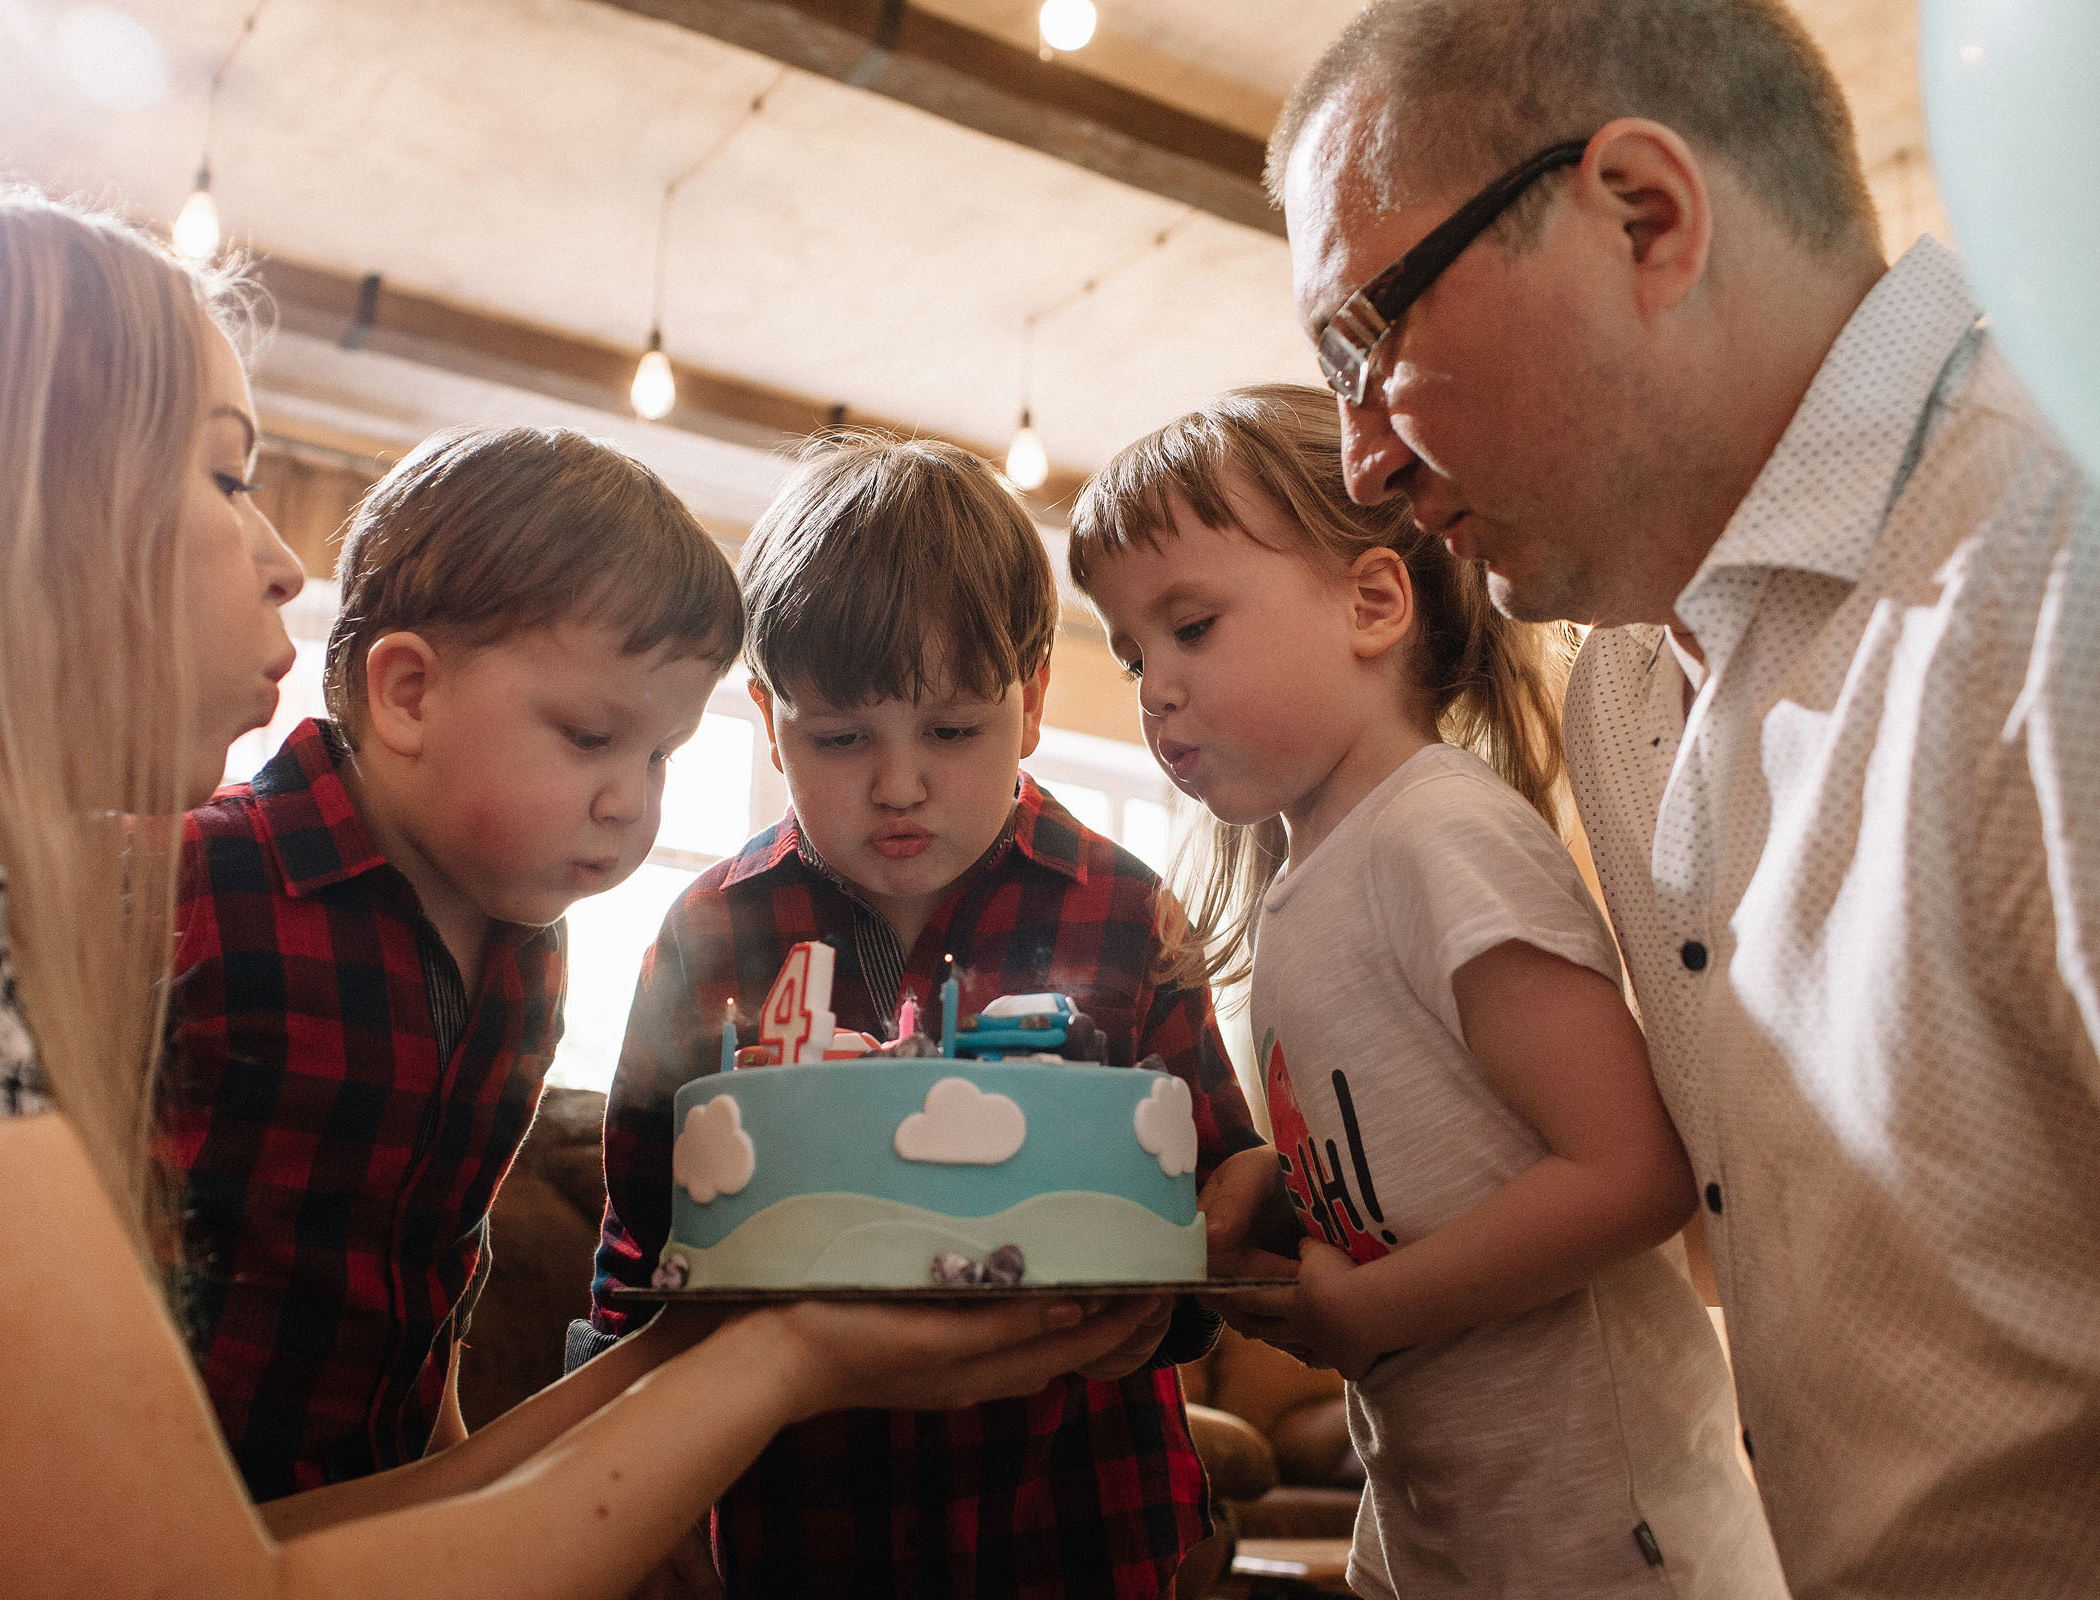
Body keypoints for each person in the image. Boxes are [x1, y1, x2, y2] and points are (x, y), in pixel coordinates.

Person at [0, 176, 1157, 1600]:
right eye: (222, 472)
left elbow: (294, 1534)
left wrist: (738, 1345)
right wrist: (786, 1358)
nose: (282, 559)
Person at [1269, 2, 2100, 1595]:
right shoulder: (1628, 691)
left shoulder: (2054, 564)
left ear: (1643, 216)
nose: (1360, 460)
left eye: (1365, 344)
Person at [1072, 384, 1785, 1598]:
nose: (1154, 688)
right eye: (1133, 652)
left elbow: (1631, 1171)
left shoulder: (1437, 833)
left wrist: (1370, 1313)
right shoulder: (1308, 890)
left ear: (1372, 602)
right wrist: (1268, 1196)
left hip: (1608, 1536)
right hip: (1445, 1521)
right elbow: (1414, 1173)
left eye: (1191, 627)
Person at [579, 432, 1262, 1598]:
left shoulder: (1128, 911)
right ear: (766, 714)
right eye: (839, 738)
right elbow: (641, 1247)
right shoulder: (709, 936)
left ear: (1033, 699)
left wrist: (1169, 1307)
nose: (898, 785)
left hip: (1081, 1510)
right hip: (804, 1523)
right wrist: (635, 1518)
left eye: (953, 731)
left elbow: (1227, 1172)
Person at [164, 424, 739, 1504]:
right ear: (409, 694)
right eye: (587, 736)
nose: (633, 801)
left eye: (661, 754)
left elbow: (436, 1258)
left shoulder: (531, 952)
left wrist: (459, 1473)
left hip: (380, 1510)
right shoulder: (200, 875)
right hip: (170, 1510)